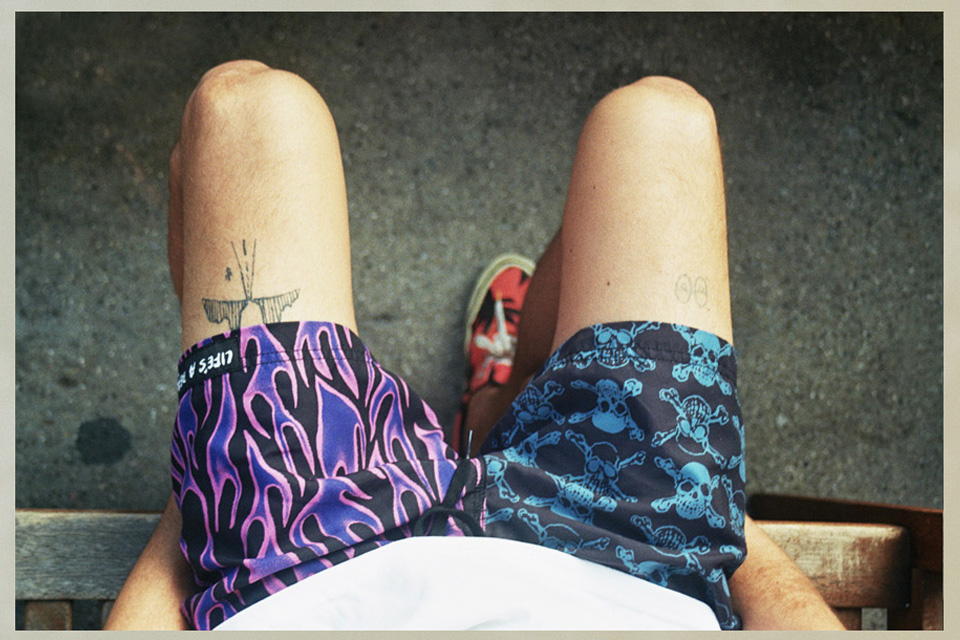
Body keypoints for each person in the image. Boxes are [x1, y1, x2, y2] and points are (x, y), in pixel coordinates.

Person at [104, 60, 844, 631]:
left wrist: (196, 498)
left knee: (242, 108)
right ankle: (506, 396)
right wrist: (719, 523)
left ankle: (505, 410)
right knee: (660, 123)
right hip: (635, 569)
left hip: (305, 575)